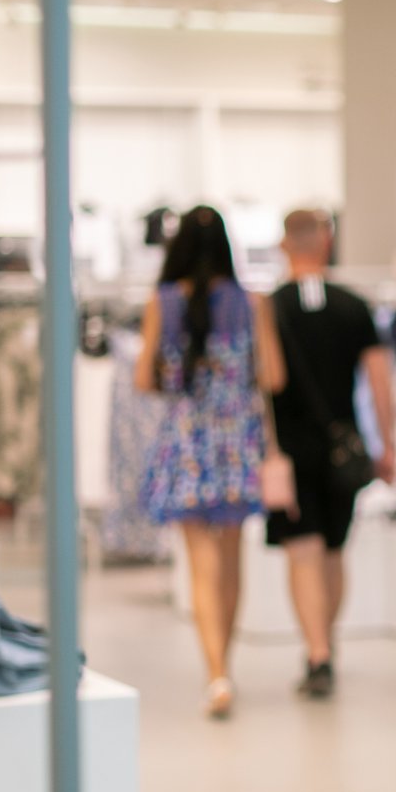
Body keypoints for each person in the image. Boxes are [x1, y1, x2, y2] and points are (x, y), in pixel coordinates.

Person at [137, 206, 286, 719]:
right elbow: (273, 377)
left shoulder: (162, 302)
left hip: (187, 444)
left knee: (201, 565)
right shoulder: (252, 303)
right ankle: (227, 666)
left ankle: (215, 673)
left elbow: (143, 378)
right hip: (237, 444)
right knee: (231, 561)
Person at [267, 209, 396, 699]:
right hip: (344, 445)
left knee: (303, 551)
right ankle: (327, 645)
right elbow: (380, 383)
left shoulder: (270, 309)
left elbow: (262, 385)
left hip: (288, 449)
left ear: (284, 244)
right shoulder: (354, 307)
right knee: (334, 551)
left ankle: (317, 651)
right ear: (327, 242)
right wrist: (388, 445)